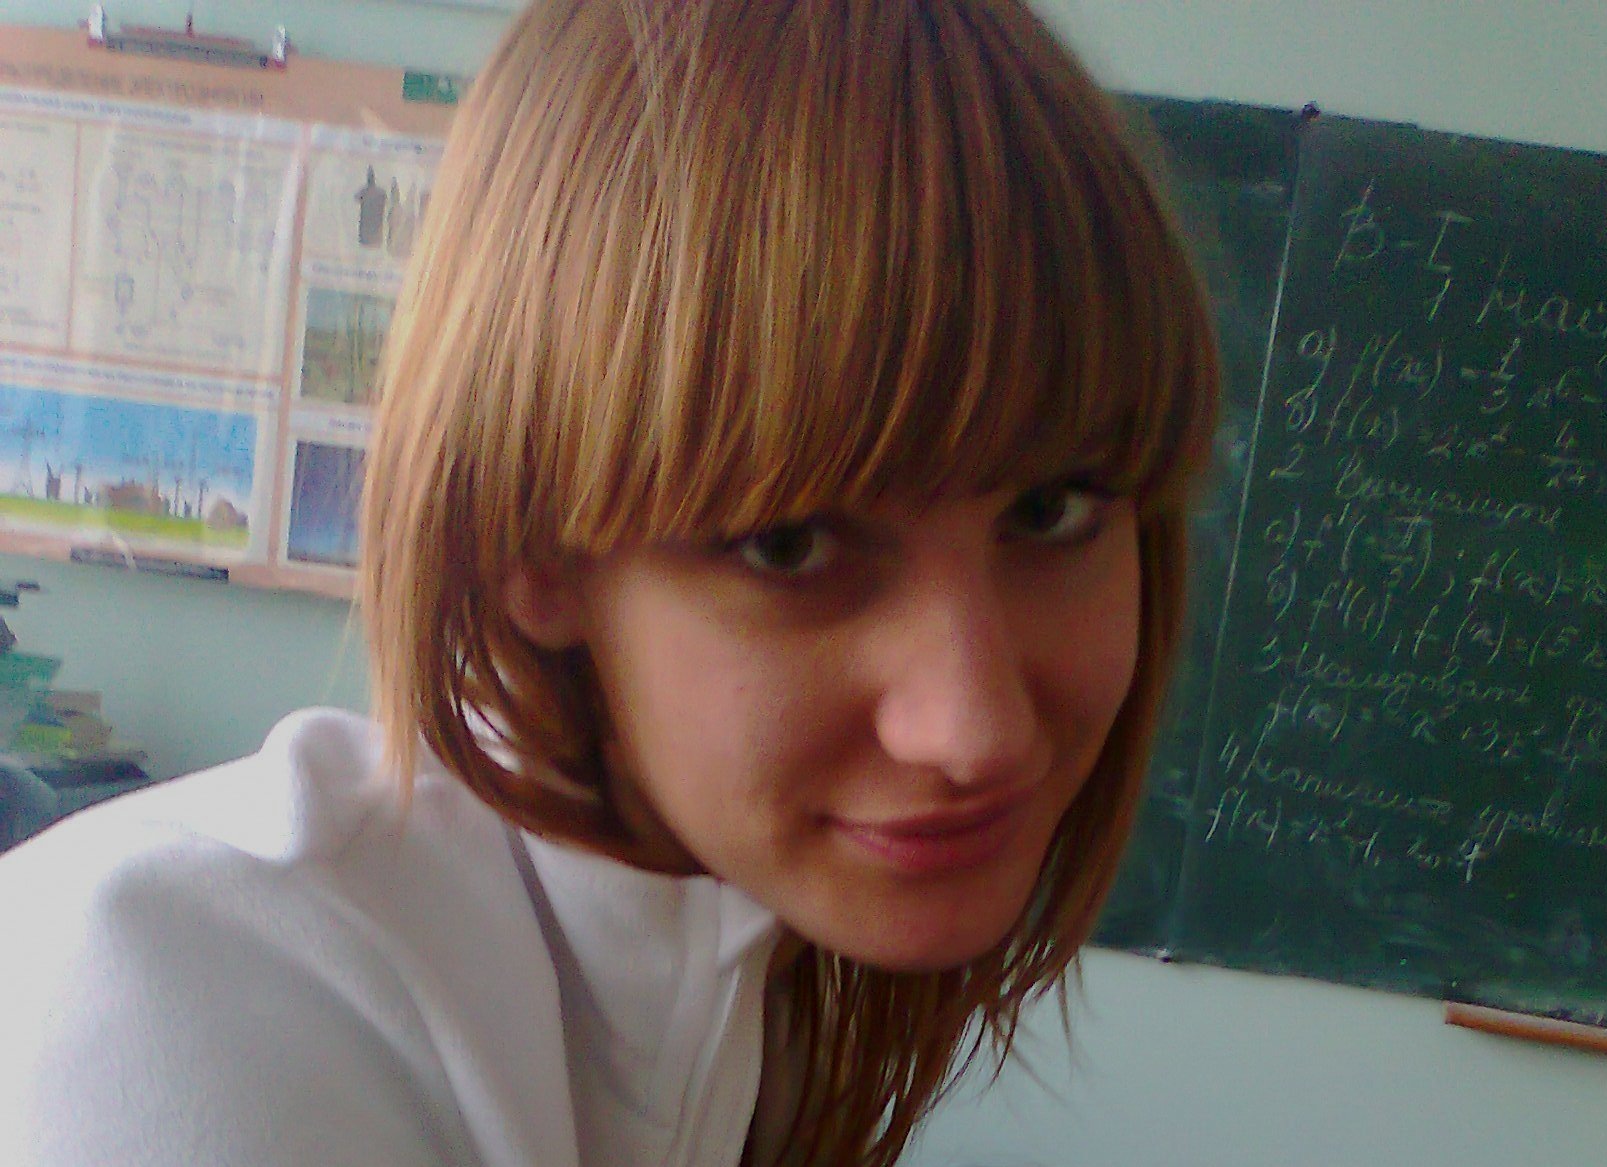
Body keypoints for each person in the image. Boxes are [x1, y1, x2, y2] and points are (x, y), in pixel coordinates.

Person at [0, 0, 1218, 1163]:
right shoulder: (172, 999)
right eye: (791, 546)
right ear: (531, 547)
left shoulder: (748, 986)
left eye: (1052, 511)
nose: (976, 729)